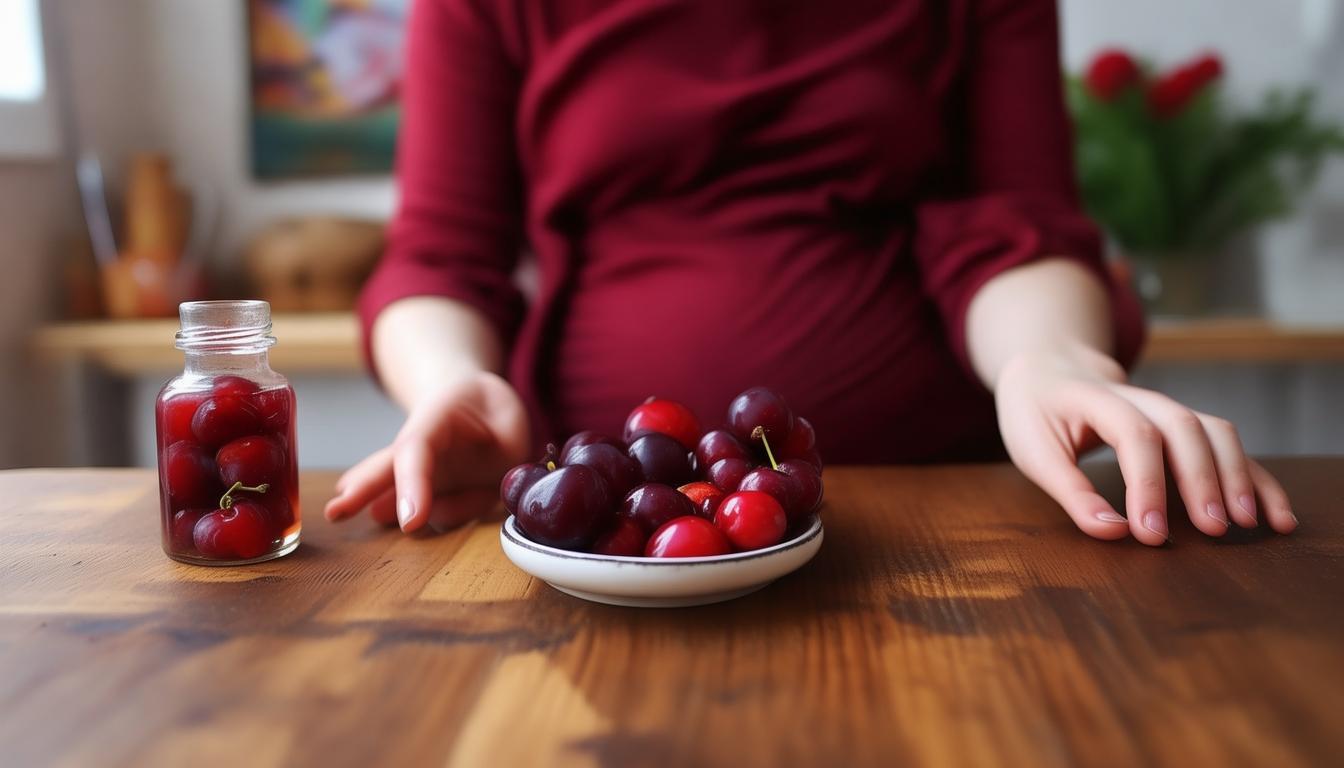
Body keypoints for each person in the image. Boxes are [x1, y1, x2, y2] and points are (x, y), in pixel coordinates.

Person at [324, 0, 1297, 546]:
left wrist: (1053, 359)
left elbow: (1017, 222)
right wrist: (452, 380)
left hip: (942, 523)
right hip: (602, 543)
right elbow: (444, 254)